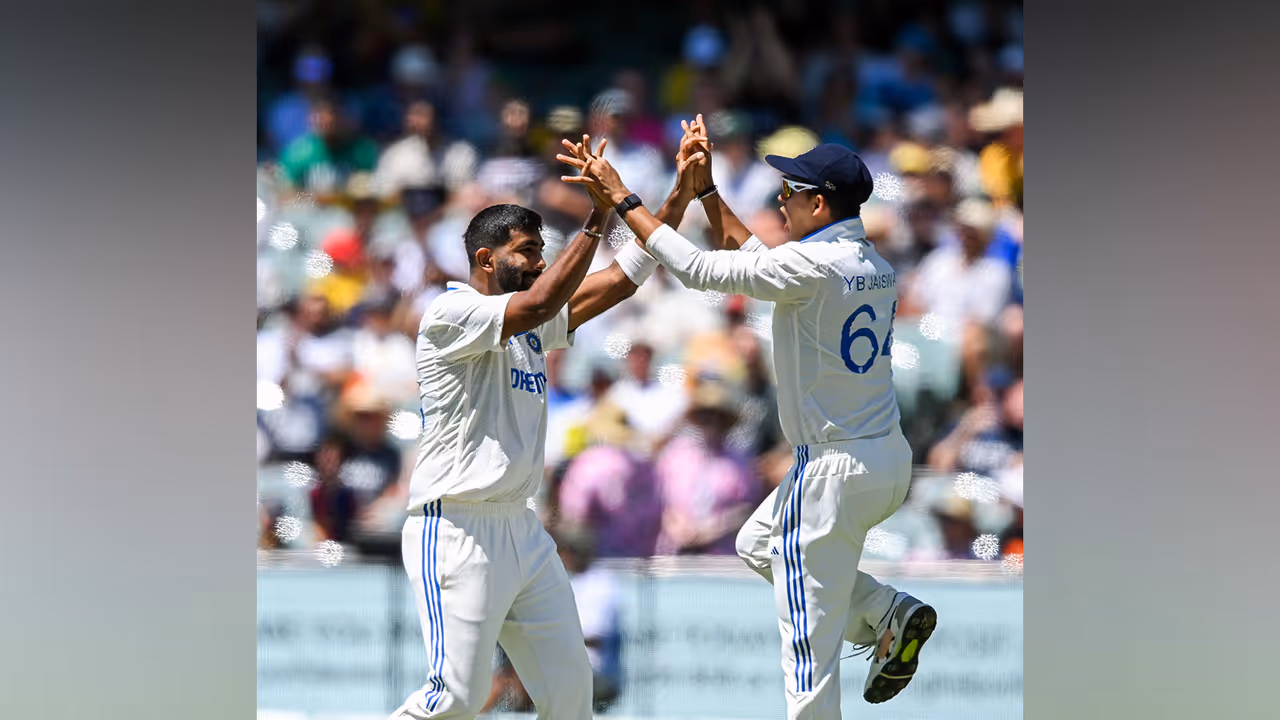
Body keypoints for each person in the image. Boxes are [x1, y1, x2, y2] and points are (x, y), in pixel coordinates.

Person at [560, 118, 937, 717]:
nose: (779, 203)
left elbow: (703, 270)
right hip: (882, 458)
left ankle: (875, 625)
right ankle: (887, 613)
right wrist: (707, 192)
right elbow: (751, 256)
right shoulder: (868, 263)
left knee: (806, 647)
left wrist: (621, 198)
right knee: (758, 542)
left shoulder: (812, 269)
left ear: (818, 203)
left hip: (832, 470)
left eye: (788, 194)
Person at [391, 133, 707, 720]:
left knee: (569, 699)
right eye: (527, 250)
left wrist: (676, 198)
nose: (538, 260)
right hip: (456, 529)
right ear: (486, 259)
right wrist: (599, 213)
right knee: (454, 701)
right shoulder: (450, 312)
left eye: (541, 251)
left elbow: (623, 278)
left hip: (523, 530)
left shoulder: (531, 323)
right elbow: (538, 303)